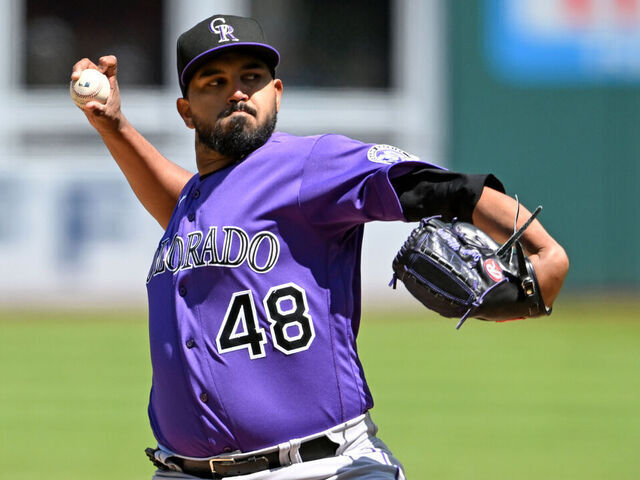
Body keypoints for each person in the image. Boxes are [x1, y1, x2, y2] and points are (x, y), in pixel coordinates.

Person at [71, 14, 569, 480]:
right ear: (186, 109)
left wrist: (545, 252)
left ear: (277, 92)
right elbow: (184, 204)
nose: (237, 93)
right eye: (214, 82)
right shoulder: (198, 203)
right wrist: (112, 125)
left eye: (251, 77)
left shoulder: (311, 165)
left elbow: (446, 188)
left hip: (317, 467)